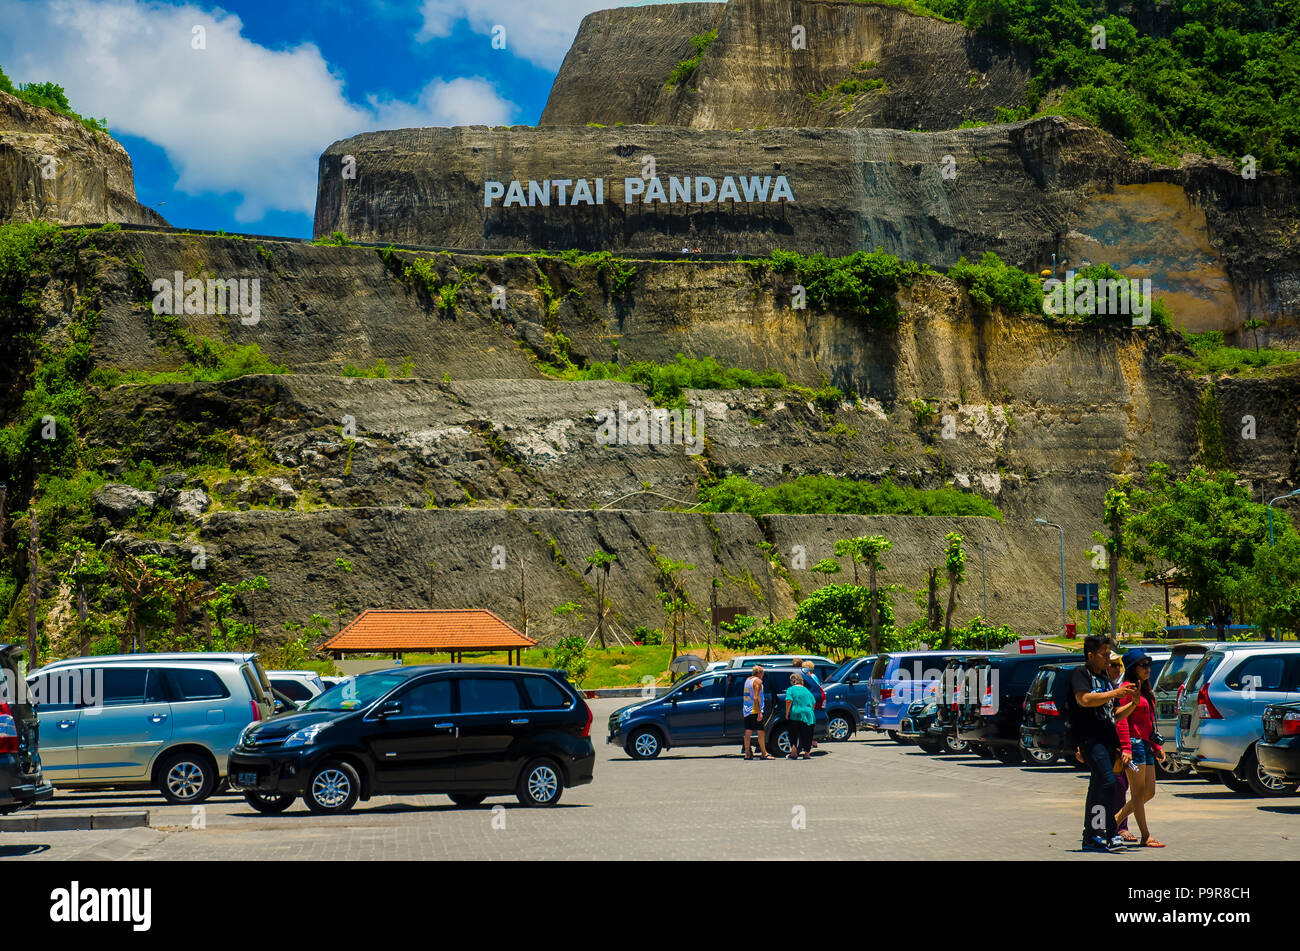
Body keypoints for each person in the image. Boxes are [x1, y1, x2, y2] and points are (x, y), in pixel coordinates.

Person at [1068, 634, 1137, 853]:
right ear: (1091, 655)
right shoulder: (1081, 674)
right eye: (1104, 655)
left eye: (1109, 654)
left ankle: (1092, 835)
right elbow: (1084, 699)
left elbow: (1114, 714)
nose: (1108, 660)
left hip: (1108, 741)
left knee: (1098, 787)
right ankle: (1109, 833)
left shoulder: (1106, 679)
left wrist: (1132, 704)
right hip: (1091, 740)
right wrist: (1115, 692)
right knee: (1109, 783)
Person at [1115, 649, 1167, 848]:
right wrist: (1126, 748)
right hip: (1133, 745)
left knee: (1149, 792)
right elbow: (1121, 721)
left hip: (1145, 745)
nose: (1148, 669)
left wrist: (1154, 745)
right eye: (1143, 665)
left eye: (1148, 665)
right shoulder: (1127, 689)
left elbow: (1147, 724)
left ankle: (1114, 820)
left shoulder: (1145, 689)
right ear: (1132, 668)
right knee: (1138, 793)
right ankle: (1145, 835)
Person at [1107, 656, 1136, 843]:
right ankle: (1113, 826)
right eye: (1112, 665)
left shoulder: (1120, 688)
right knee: (1115, 786)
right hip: (1109, 746)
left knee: (1121, 786)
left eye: (1119, 665)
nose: (1116, 668)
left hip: (1123, 746)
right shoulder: (1108, 689)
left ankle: (1118, 825)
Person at [743, 665, 773, 760]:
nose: (763, 674)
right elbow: (756, 697)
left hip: (746, 709)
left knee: (748, 732)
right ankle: (764, 753)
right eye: (763, 672)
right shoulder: (758, 681)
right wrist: (760, 712)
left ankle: (747, 753)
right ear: (759, 673)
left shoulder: (748, 680)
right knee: (761, 732)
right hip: (755, 710)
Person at [785, 672, 816, 759]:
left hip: (795, 714)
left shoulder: (791, 689)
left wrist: (787, 713)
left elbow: (788, 701)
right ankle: (807, 754)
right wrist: (810, 711)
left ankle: (794, 753)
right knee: (807, 734)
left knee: (793, 733)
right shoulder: (806, 690)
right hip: (808, 715)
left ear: (792, 681)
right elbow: (813, 702)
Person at [801, 661, 823, 748]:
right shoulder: (814, 676)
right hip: (813, 699)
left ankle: (811, 740)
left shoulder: (808, 677)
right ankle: (813, 740)